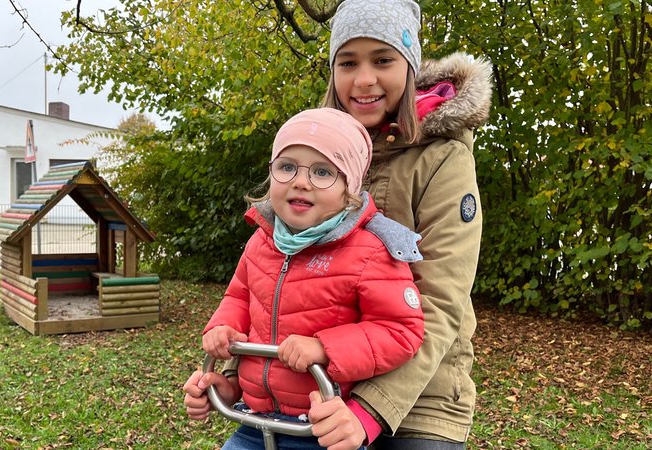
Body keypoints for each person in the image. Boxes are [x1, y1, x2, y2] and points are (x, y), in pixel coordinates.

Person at [307, 0, 494, 449]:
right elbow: (275, 264)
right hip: (324, 383)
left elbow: (442, 299)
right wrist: (235, 371)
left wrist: (370, 412)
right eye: (348, 62)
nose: (364, 79)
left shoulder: (443, 159)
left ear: (410, 68)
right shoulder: (316, 155)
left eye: (383, 60)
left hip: (419, 398)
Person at [183, 107, 426, 450]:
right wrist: (223, 334)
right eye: (287, 167)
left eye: (323, 172)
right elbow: (239, 297)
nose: (300, 181)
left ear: (349, 188)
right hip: (254, 422)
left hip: (323, 426)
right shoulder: (262, 241)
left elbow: (401, 329)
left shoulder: (371, 249)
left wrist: (325, 347)